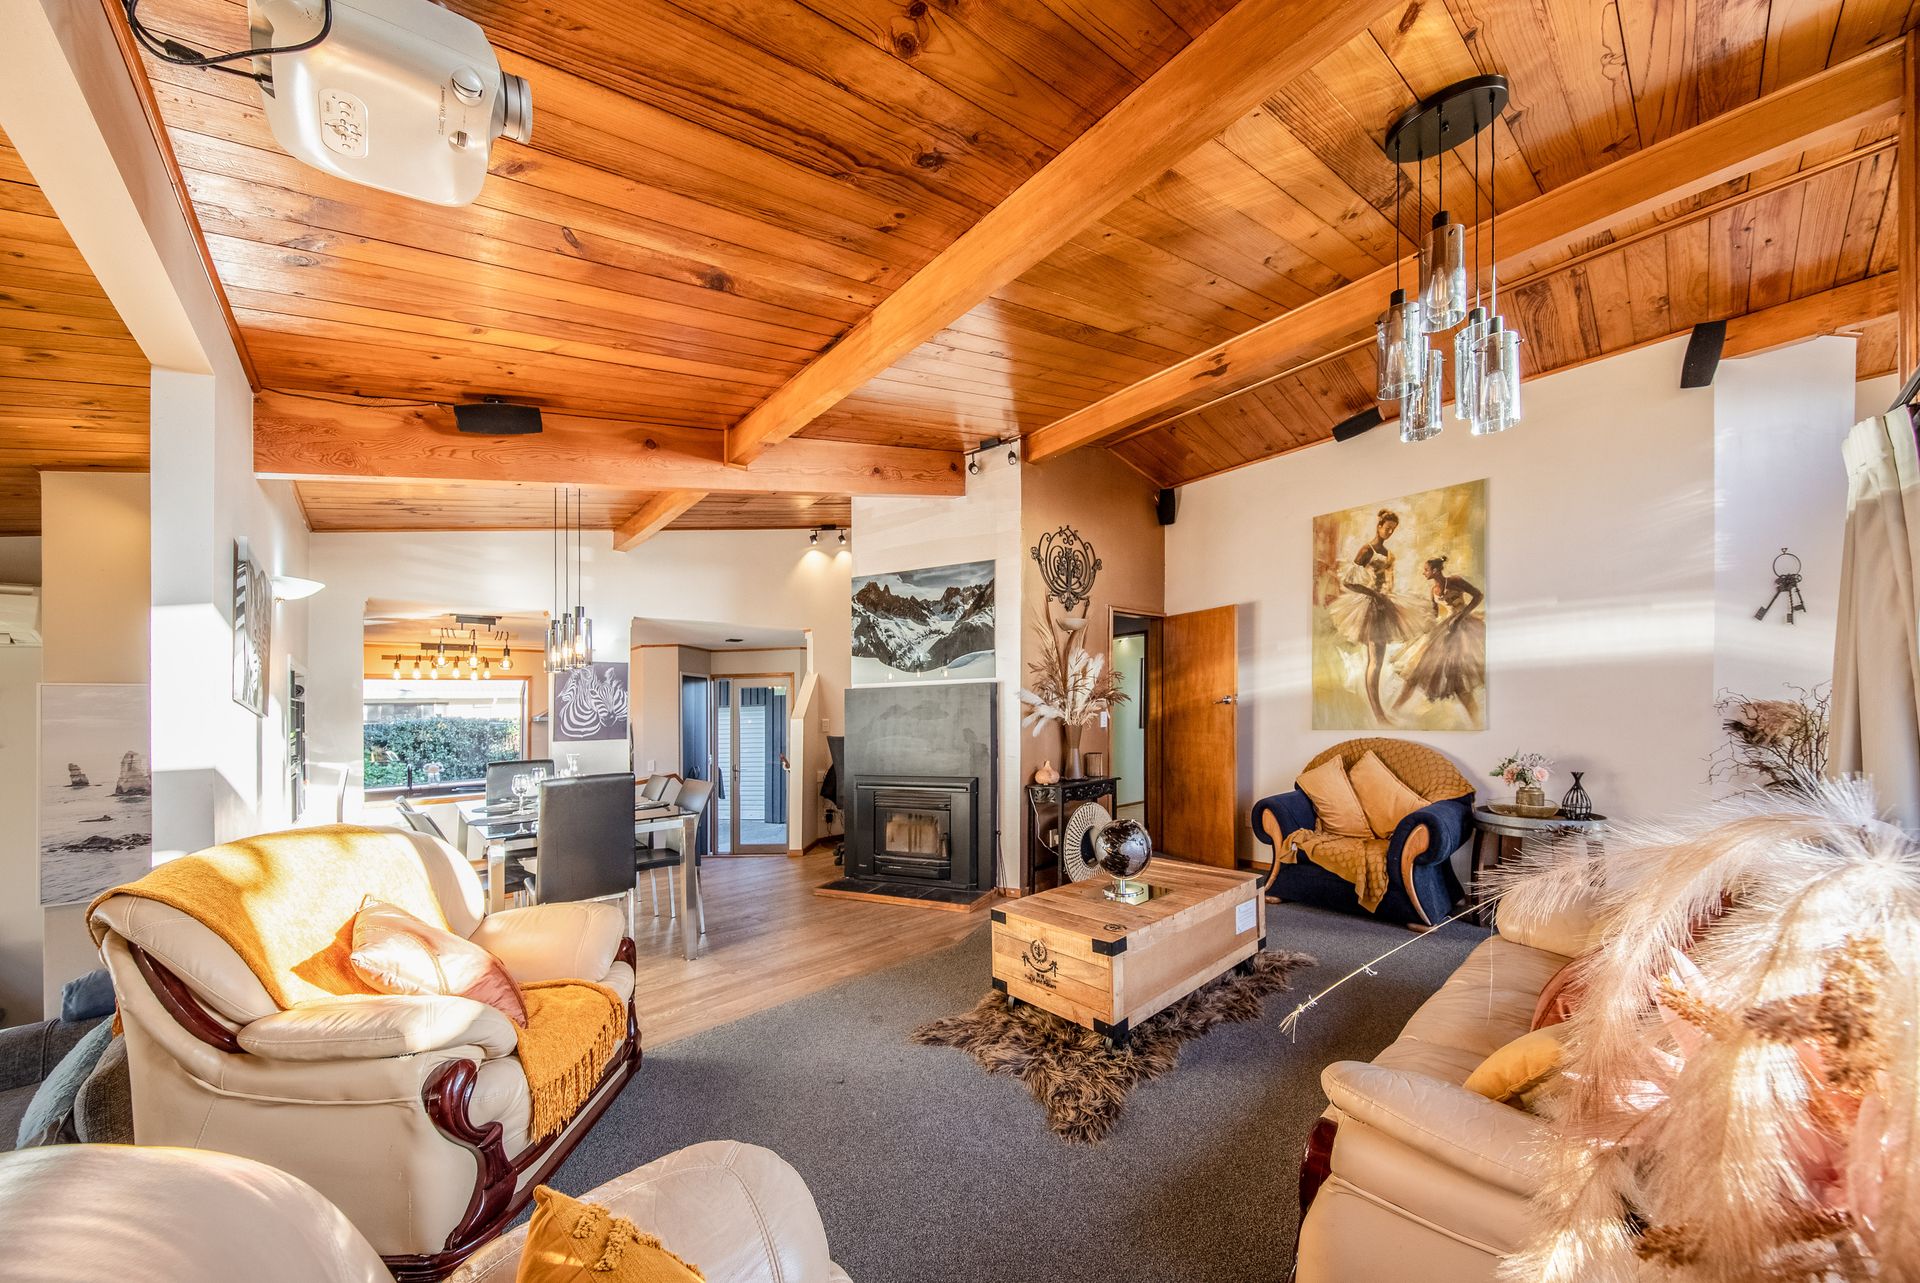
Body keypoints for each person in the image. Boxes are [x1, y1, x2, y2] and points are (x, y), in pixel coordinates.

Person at [1325, 509, 1425, 724]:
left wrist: (1387, 598)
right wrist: (1374, 595)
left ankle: (1380, 713)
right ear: (1379, 526)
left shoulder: (1388, 553)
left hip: (1385, 605)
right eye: (1387, 528)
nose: (1389, 532)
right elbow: (1348, 582)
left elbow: (1389, 580)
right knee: (1375, 661)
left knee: (1378, 661)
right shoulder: (1367, 550)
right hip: (1371, 606)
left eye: (1393, 529)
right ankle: (1379, 714)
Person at [1392, 555, 1486, 723]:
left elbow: (1478, 596)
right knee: (1418, 667)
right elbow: (1434, 614)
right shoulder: (1433, 590)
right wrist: (1418, 619)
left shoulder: (1455, 581)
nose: (1423, 573)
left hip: (1463, 628)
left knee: (1459, 677)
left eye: (1426, 570)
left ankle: (1476, 722)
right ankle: (1395, 709)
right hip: (1445, 627)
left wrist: (1460, 617)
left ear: (1435, 571)